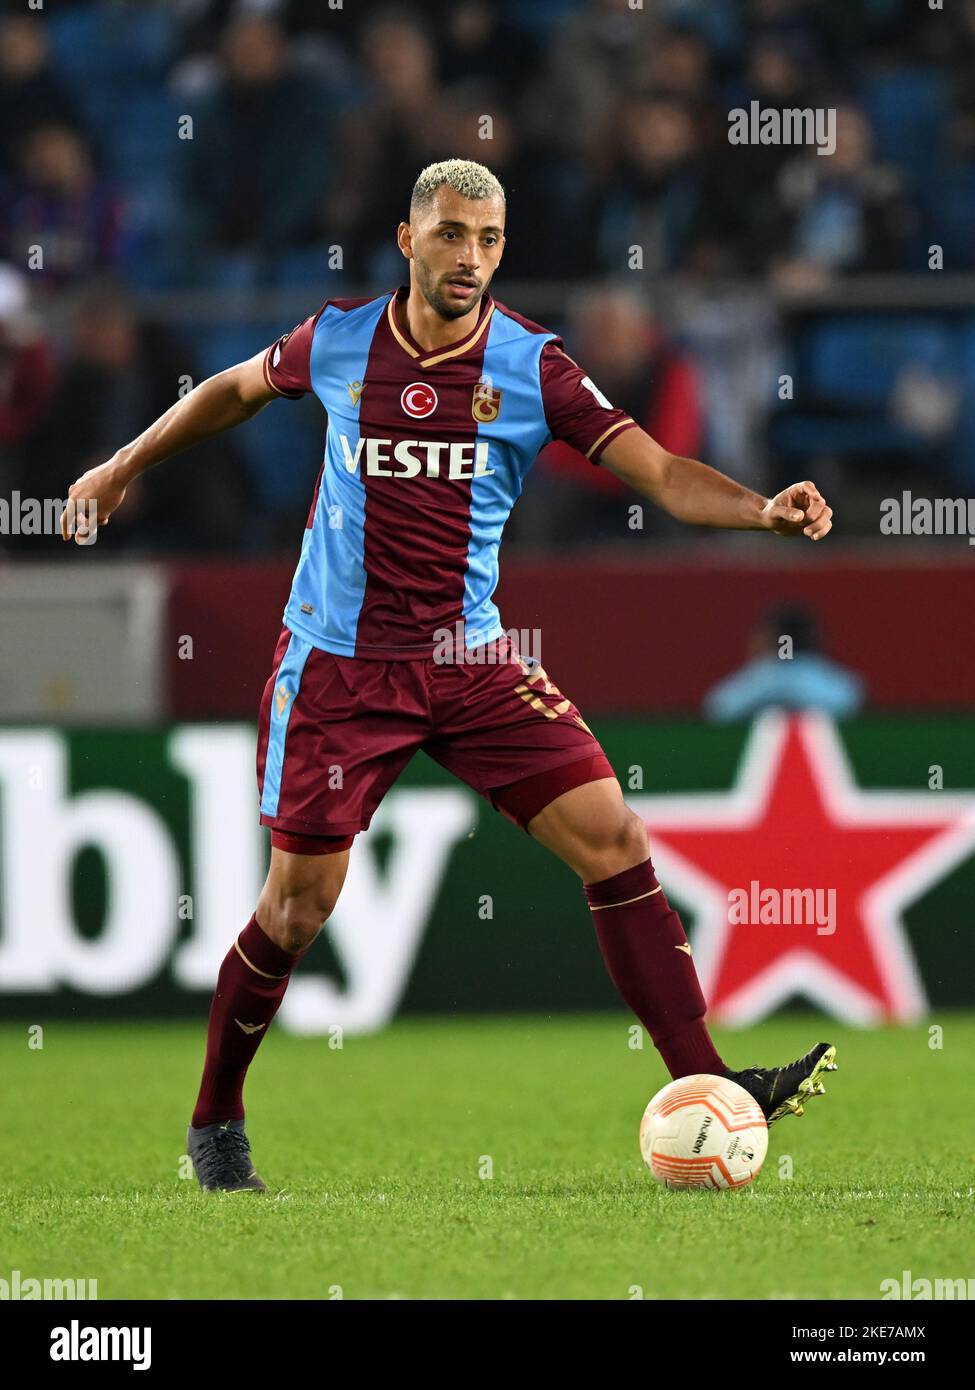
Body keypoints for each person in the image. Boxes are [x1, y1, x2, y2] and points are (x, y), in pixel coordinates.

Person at [61, 159, 838, 1192]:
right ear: (410, 238)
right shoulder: (338, 338)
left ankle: (709, 1086)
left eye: (488, 239)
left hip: (469, 658)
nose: (469, 256)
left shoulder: (536, 368)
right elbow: (233, 391)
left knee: (614, 836)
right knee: (297, 909)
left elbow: (656, 470)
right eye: (452, 234)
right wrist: (122, 464)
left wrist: (758, 508)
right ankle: (215, 1119)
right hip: (339, 666)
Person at [703, 603, 866, 722]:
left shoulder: (768, 675)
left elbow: (720, 708)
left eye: (762, 635)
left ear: (779, 639)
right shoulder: (839, 682)